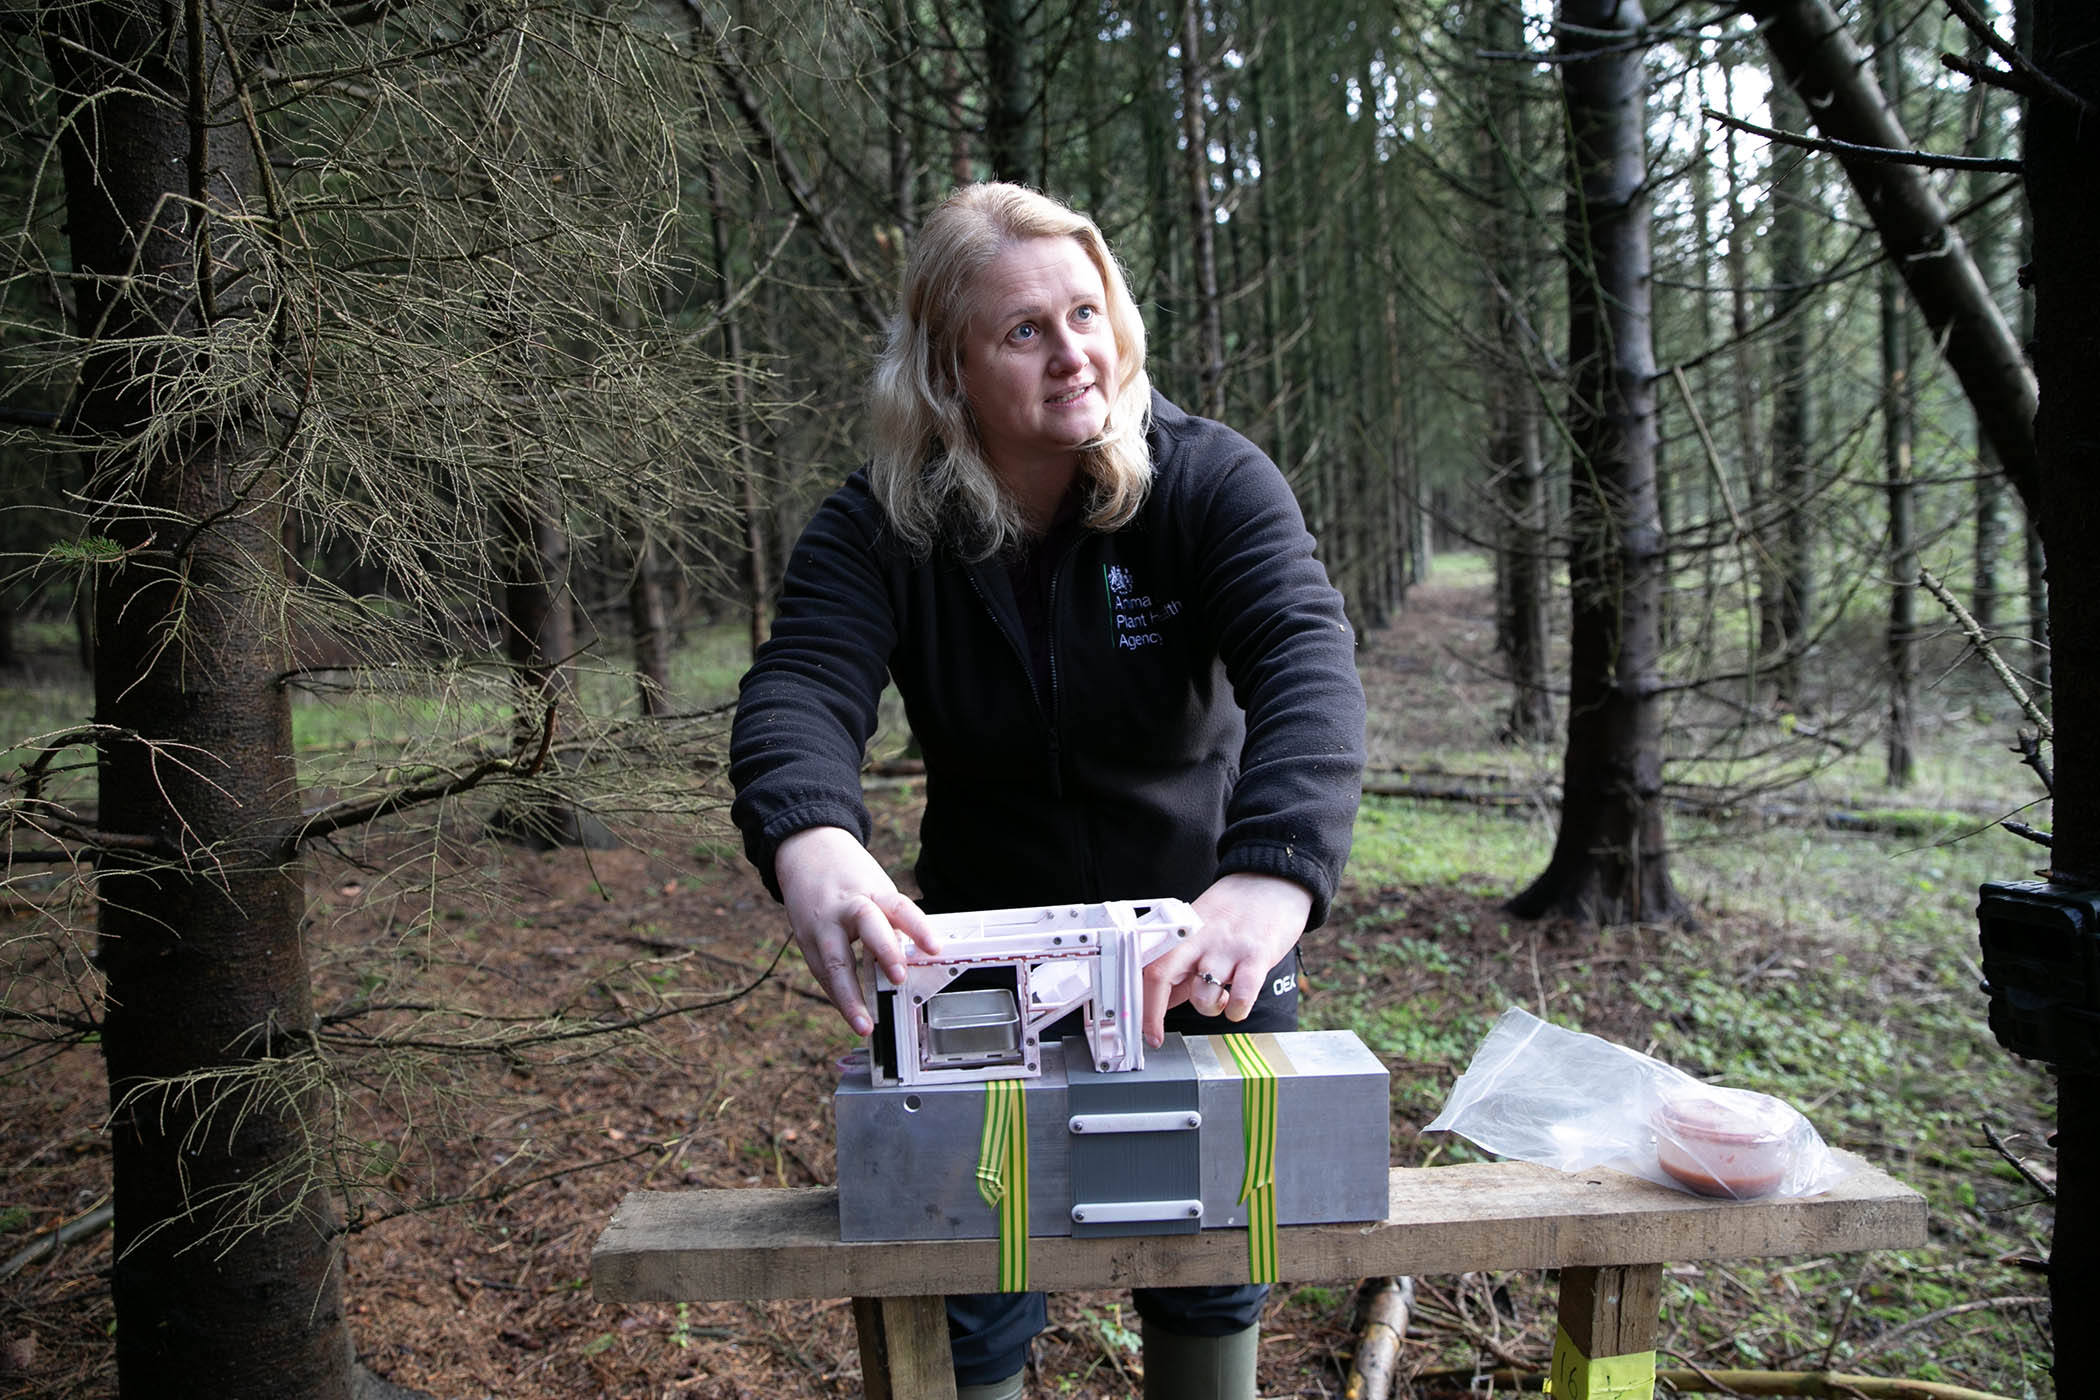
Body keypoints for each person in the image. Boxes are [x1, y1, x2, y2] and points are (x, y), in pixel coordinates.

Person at [729, 182, 1366, 1400]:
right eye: (1025, 330)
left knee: (1210, 1262)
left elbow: (1305, 658)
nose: (1075, 352)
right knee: (969, 1280)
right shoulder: (878, 526)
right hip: (981, 967)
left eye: (1087, 311)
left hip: (1200, 950)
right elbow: (799, 688)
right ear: (948, 369)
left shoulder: (1206, 479)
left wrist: (1272, 870)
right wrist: (812, 841)